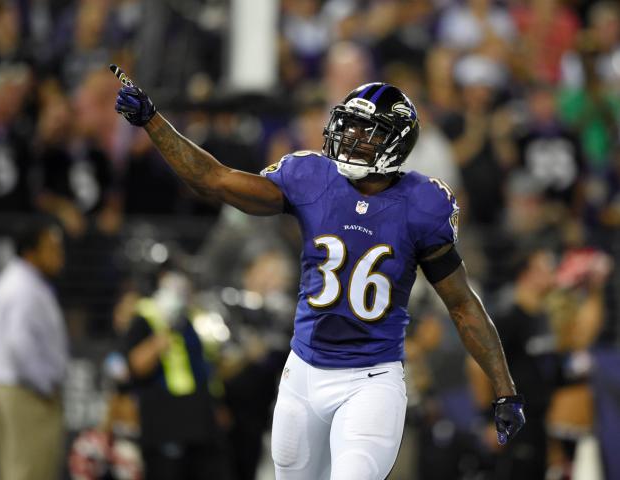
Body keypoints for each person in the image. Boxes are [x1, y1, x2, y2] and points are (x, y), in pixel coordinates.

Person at [112, 67, 525, 480]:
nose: (350, 137)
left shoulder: (421, 204)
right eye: (350, 125)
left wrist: (505, 389)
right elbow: (214, 180)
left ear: (395, 142)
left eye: (367, 131)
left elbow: (462, 304)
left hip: (371, 379)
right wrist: (153, 122)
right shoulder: (312, 178)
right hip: (304, 373)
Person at [122, 271, 230, 480]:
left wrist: (216, 404)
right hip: (164, 420)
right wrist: (161, 336)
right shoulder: (144, 317)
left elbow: (204, 365)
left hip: (199, 419)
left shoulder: (193, 319)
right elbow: (135, 365)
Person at [0, 215, 67, 480]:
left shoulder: (18, 281)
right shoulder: (22, 288)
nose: (59, 255)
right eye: (52, 248)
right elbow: (18, 344)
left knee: (21, 467)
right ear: (31, 251)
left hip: (15, 389)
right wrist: (45, 385)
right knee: (28, 471)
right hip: (26, 392)